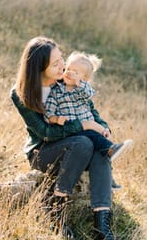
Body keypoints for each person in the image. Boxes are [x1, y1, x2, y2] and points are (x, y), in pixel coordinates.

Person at [11, 36, 121, 240]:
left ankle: (102, 227)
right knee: (83, 142)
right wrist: (85, 125)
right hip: (44, 152)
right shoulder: (21, 93)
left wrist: (101, 127)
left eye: (61, 59)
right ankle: (56, 213)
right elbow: (45, 133)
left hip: (78, 147)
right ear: (39, 68)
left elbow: (92, 113)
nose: (63, 66)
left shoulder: (68, 80)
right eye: (56, 64)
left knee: (99, 150)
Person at [43, 51, 133, 190]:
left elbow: (90, 93)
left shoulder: (81, 90)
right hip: (74, 129)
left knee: (98, 149)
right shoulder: (56, 91)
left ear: (83, 79)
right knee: (95, 140)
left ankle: (109, 179)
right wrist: (56, 119)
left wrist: (79, 82)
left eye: (75, 72)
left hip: (89, 127)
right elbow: (48, 112)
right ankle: (110, 149)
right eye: (68, 69)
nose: (69, 73)